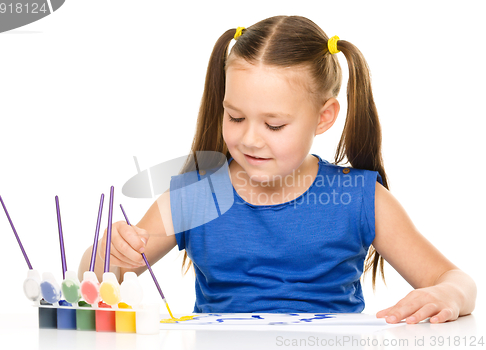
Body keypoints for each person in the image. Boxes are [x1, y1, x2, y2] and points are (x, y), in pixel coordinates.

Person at [78, 15, 476, 324]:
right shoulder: (199, 196)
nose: (250, 139)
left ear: (323, 118)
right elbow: (95, 282)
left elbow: (457, 281)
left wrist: (449, 296)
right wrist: (109, 253)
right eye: (235, 117)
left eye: (274, 125)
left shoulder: (359, 198)